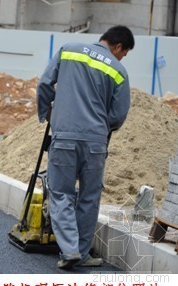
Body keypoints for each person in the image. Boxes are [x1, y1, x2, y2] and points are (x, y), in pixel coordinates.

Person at [37, 25, 135, 270]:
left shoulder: (68, 50)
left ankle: (69, 250)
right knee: (90, 197)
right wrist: (103, 128)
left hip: (65, 137)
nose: (121, 57)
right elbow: (119, 114)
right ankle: (80, 252)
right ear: (118, 46)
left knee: (61, 193)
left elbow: (45, 85)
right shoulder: (119, 71)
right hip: (95, 142)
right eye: (123, 53)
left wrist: (46, 114)